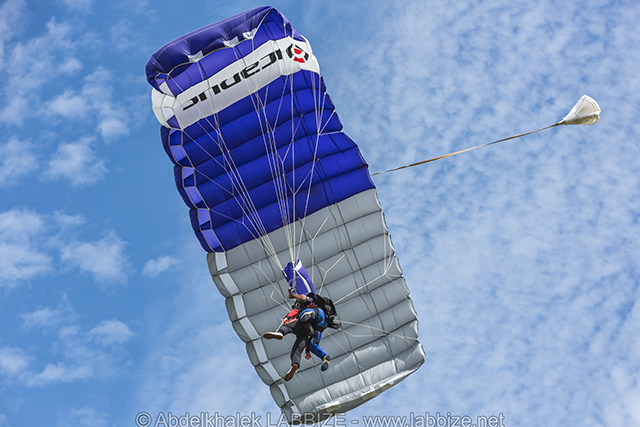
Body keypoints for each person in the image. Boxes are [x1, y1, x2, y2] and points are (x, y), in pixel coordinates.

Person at [263, 291, 331, 381]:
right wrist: (307, 350)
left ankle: (280, 332)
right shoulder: (308, 305)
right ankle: (321, 358)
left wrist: (294, 296)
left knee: (290, 325)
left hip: (314, 315)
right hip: (315, 328)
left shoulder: (309, 300)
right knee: (305, 347)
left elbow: (302, 299)